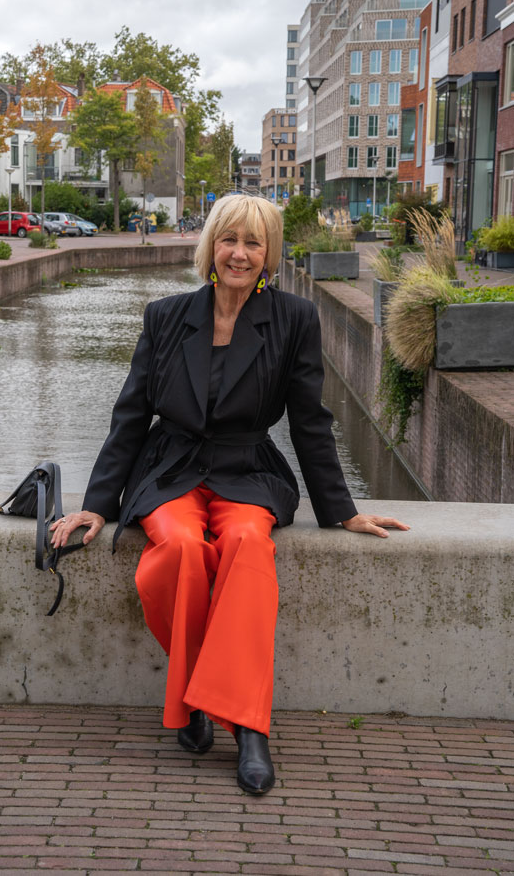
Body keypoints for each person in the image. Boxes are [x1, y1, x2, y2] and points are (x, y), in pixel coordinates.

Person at [50, 193, 409, 795]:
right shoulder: (165, 316)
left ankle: (246, 726)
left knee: (247, 543)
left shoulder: (294, 318)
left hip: (248, 469)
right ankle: (201, 699)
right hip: (170, 468)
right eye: (229, 240)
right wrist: (97, 503)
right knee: (180, 548)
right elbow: (131, 416)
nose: (239, 254)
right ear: (210, 247)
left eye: (253, 243)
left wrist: (340, 511)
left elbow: (310, 421)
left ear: (269, 254)